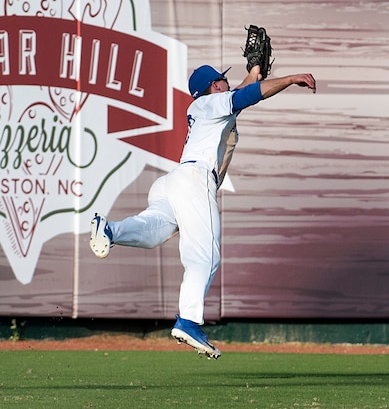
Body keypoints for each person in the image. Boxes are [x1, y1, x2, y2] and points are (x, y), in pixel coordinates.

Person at [89, 63, 316, 359]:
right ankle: (189, 321)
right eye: (222, 79)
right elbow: (248, 96)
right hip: (195, 181)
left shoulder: (208, 106)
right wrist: (290, 78)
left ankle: (110, 230)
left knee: (153, 231)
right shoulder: (209, 103)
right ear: (214, 85)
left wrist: (256, 71)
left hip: (174, 182)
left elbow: (238, 95)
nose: (225, 82)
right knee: (205, 255)